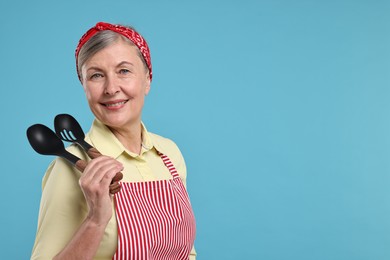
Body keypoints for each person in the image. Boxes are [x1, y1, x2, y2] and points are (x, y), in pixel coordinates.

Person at [31, 22, 196, 260]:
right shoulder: (68, 168)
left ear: (148, 79)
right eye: (96, 75)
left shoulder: (169, 152)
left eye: (124, 71)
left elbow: (186, 252)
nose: (111, 88)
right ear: (84, 86)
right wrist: (96, 219)